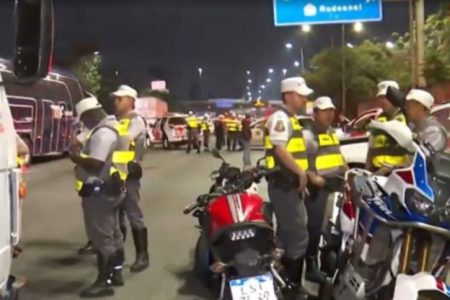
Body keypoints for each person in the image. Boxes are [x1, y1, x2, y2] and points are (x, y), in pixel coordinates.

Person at [71, 97, 132, 298]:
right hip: (115, 187)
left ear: (89, 115)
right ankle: (116, 274)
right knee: (114, 233)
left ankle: (103, 282)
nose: (84, 124)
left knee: (101, 237)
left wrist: (76, 158)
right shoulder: (115, 126)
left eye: (84, 119)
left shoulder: (103, 134)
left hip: (101, 192)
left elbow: (96, 164)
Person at [264, 77, 311, 299]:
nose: (304, 98)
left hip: (289, 185)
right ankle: (293, 287)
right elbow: (280, 150)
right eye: (301, 94)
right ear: (289, 95)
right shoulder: (280, 118)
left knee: (285, 235)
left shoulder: (291, 119)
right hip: (283, 186)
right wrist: (301, 173)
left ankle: (281, 280)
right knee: (299, 235)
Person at [303, 97, 346, 284]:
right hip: (318, 188)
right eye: (324, 110)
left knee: (335, 227)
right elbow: (303, 160)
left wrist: (347, 171)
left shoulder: (330, 132)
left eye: (331, 110)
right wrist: (313, 177)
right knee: (314, 227)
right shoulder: (308, 134)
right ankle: (310, 265)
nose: (329, 114)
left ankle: (328, 265)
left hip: (335, 185)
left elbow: (338, 155)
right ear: (315, 113)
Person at [111, 85, 150, 273]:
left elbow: (123, 139)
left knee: (133, 214)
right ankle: (118, 255)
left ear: (131, 101)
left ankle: (143, 256)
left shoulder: (137, 121)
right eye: (116, 99)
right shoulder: (115, 120)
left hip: (129, 175)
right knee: (116, 216)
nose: (116, 102)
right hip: (114, 174)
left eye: (120, 99)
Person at [366, 80, 409, 174]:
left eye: (386, 97)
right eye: (381, 98)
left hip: (399, 174)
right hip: (377, 173)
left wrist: (394, 168)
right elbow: (371, 148)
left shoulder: (407, 120)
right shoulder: (378, 120)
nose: (383, 101)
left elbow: (413, 153)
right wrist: (368, 170)